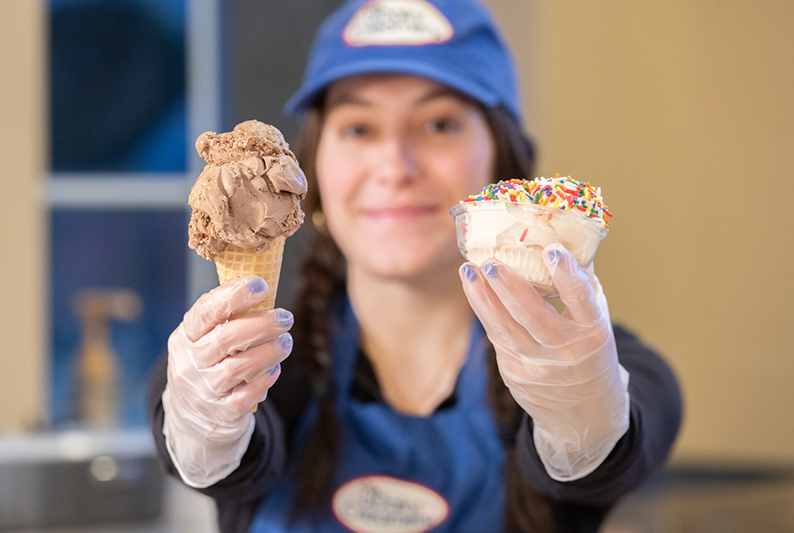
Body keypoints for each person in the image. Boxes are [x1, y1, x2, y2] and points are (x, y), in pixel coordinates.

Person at [147, 1, 682, 532]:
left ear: (504, 163)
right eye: (359, 128)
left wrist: (586, 423)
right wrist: (206, 435)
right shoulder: (249, 364)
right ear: (310, 176)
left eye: (440, 124)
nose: (396, 166)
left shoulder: (600, 365)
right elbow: (229, 466)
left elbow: (601, 464)